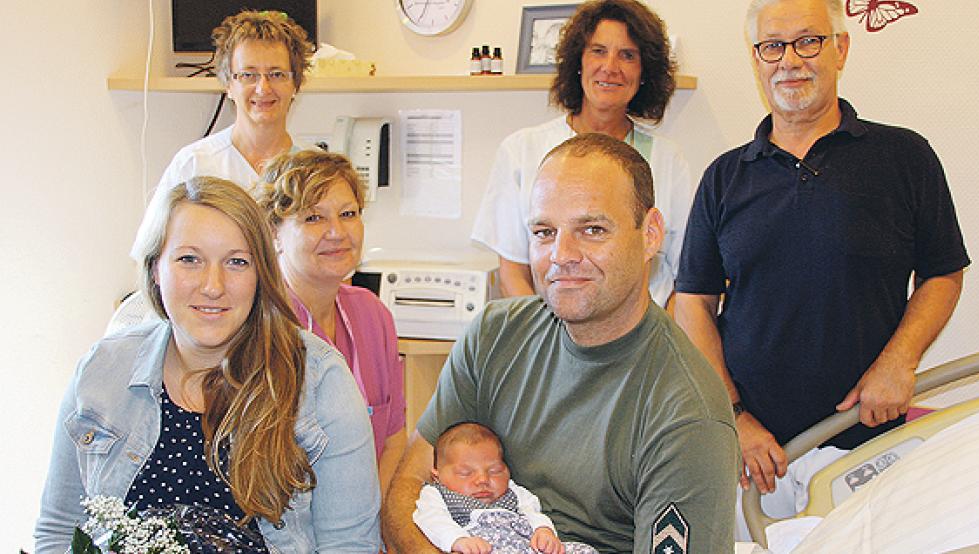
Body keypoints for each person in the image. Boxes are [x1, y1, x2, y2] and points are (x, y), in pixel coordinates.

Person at [673, 0, 970, 535]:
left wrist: (899, 362)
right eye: (772, 46)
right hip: (754, 459)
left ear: (841, 49)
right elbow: (692, 303)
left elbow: (943, 272)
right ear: (757, 59)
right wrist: (734, 418)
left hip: (869, 442)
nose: (789, 60)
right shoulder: (724, 178)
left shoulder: (905, 158)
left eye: (808, 41)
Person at [383, 134, 739, 554]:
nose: (561, 255)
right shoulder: (494, 337)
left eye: (592, 229)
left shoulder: (686, 415)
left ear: (650, 234)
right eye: (544, 231)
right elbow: (407, 488)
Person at [35, 177, 381, 553]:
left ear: (261, 275)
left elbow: (349, 545)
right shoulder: (102, 372)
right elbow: (58, 531)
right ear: (156, 269)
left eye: (236, 262)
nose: (213, 286)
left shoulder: (320, 381)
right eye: (189, 260)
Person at [471, 0, 693, 311]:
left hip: (643, 342)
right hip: (551, 336)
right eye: (598, 51)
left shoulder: (668, 159)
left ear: (644, 73)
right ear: (578, 63)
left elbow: (686, 278)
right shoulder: (521, 151)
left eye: (627, 55)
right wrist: (551, 341)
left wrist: (657, 344)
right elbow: (513, 274)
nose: (610, 66)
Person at [254, 149, 407, 496]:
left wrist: (367, 524)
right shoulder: (260, 325)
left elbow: (394, 439)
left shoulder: (372, 315)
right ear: (274, 231)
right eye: (313, 218)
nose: (337, 232)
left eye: (348, 214)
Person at [131, 9, 315, 258]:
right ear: (229, 84)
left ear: (296, 84)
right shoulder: (195, 164)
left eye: (277, 74)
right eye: (248, 74)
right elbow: (151, 255)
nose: (263, 88)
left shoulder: (315, 170)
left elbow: (337, 268)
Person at [413, 422, 597, 554]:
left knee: (584, 550)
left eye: (494, 471)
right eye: (465, 473)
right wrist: (457, 540)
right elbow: (431, 519)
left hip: (527, 546)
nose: (483, 480)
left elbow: (532, 510)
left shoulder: (512, 490)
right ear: (437, 475)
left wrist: (543, 531)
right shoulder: (436, 493)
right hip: (482, 547)